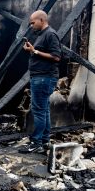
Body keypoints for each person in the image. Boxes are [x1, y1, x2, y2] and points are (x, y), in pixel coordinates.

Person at [18, 10, 61, 154]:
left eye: (33, 22)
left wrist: (35, 51)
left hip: (44, 78)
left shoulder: (50, 34)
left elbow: (56, 57)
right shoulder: (42, 35)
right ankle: (44, 141)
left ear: (42, 20)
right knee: (44, 110)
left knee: (38, 110)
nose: (31, 25)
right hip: (40, 77)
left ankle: (36, 142)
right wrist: (31, 50)